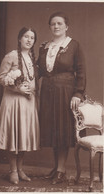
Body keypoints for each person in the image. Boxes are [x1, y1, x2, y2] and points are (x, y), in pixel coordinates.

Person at [37, 11, 86, 185]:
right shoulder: (44, 47)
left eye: (59, 23)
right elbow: (39, 71)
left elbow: (81, 71)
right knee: (53, 128)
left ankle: (61, 170)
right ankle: (57, 167)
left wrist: (78, 93)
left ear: (66, 26)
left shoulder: (73, 45)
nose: (56, 26)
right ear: (50, 27)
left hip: (66, 92)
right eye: (53, 24)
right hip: (48, 92)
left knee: (63, 128)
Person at [0, 27, 40, 184]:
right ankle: (12, 170)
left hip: (28, 102)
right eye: (26, 36)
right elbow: (1, 78)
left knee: (23, 135)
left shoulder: (32, 58)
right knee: (14, 135)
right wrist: (17, 89)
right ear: (19, 39)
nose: (28, 40)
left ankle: (20, 169)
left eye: (32, 38)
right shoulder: (11, 56)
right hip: (13, 101)